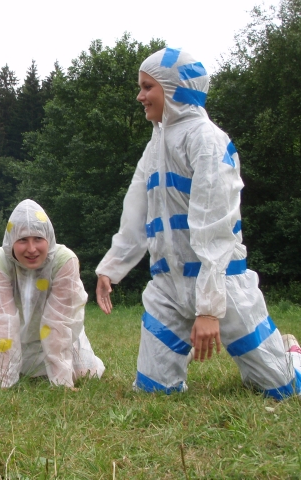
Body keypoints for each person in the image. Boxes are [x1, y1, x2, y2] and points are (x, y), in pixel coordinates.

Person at [95, 48, 301, 399]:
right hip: (167, 286)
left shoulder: (206, 139)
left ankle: (291, 354)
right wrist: (111, 269)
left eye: (147, 87)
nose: (140, 96)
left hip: (222, 283)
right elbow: (136, 213)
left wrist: (208, 309)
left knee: (283, 389)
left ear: (175, 90)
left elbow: (215, 226)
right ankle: (176, 356)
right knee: (154, 391)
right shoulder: (155, 145)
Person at [0, 199, 105, 389]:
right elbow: (3, 320)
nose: (31, 249)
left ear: (49, 237)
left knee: (85, 373)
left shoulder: (64, 260)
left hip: (58, 336)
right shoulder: (0, 260)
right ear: (11, 241)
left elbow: (59, 322)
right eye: (22, 240)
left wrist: (62, 383)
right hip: (11, 337)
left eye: (38, 239)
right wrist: (1, 382)